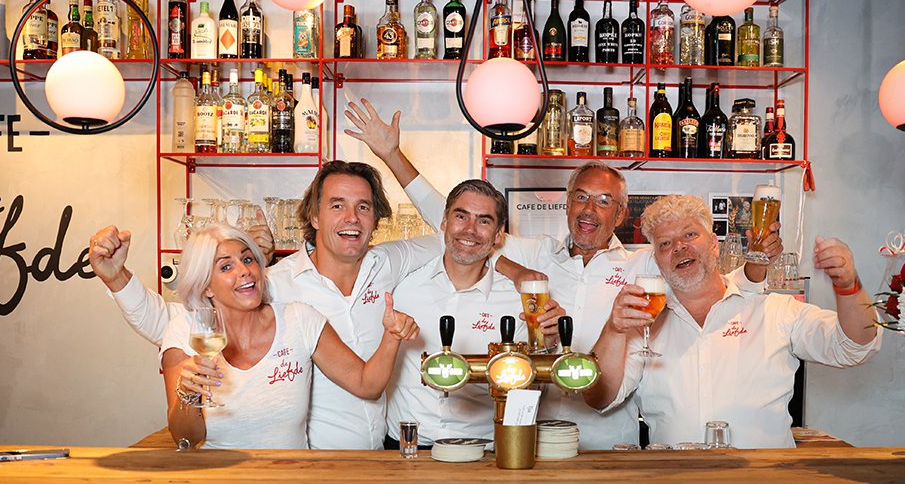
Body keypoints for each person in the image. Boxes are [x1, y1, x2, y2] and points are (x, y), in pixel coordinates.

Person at [344, 100, 781, 449]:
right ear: (566, 203)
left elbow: (705, 279)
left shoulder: (642, 263)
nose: (590, 210)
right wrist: (390, 155)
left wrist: (757, 265)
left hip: (610, 442)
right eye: (581, 198)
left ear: (621, 213)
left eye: (604, 201)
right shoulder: (539, 254)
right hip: (537, 438)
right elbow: (464, 229)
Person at [90, 160, 442, 449]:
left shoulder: (389, 261)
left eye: (363, 207)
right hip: (310, 464)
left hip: (374, 454)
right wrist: (117, 279)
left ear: (375, 219)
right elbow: (174, 321)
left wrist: (390, 153)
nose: (352, 217)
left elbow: (455, 234)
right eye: (338, 205)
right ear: (314, 217)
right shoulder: (271, 285)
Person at [583, 194, 881, 448]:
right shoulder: (643, 327)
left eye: (690, 235)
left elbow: (854, 347)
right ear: (657, 260)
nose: (678, 247)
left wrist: (848, 285)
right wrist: (613, 329)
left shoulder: (775, 310)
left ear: (714, 244)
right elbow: (601, 399)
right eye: (664, 243)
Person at [162, 224, 418, 449]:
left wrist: (392, 336)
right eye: (226, 266)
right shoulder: (185, 331)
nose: (244, 271)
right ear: (205, 284)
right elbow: (185, 438)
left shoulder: (299, 319)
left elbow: (366, 385)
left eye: (248, 260)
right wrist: (189, 395)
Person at [385, 179, 560, 447]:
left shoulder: (521, 301)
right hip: (407, 446)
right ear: (444, 221)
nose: (470, 230)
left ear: (499, 235)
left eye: (484, 221)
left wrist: (549, 344)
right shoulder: (402, 282)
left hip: (484, 449)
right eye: (461, 216)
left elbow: (532, 387)